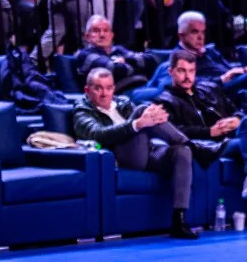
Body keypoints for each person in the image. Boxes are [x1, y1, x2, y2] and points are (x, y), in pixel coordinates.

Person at [73, 68, 198, 239]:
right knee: (142, 110)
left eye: (108, 88)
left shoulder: (123, 103)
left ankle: (179, 220)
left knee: (182, 152)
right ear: (87, 90)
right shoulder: (82, 110)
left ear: (114, 88)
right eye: (98, 88)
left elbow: (147, 127)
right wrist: (137, 124)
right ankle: (195, 146)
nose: (104, 93)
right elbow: (97, 134)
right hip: (122, 157)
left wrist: (152, 118)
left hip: (147, 151)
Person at [157, 49, 247, 199]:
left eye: (191, 71)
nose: (187, 76)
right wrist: (209, 132)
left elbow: (235, 110)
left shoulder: (209, 88)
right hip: (207, 145)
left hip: (230, 136)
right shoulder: (165, 101)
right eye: (182, 71)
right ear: (171, 72)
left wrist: (237, 119)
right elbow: (174, 132)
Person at [73, 14, 155, 91]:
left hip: (143, 85)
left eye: (106, 30)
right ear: (87, 36)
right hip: (120, 93)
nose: (102, 35)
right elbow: (114, 69)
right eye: (96, 31)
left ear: (111, 35)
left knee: (162, 66)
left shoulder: (118, 50)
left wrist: (125, 60)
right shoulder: (85, 55)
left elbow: (150, 60)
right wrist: (137, 66)